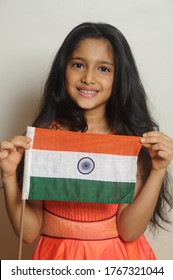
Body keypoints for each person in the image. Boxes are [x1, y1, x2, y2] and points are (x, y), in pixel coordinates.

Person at [0, 22, 173, 260]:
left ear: (120, 77)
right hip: (58, 260)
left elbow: (129, 230)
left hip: (118, 261)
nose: (88, 78)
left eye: (104, 69)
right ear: (64, 69)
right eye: (78, 65)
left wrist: (158, 170)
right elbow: (29, 233)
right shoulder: (44, 138)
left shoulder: (129, 141)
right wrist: (9, 176)